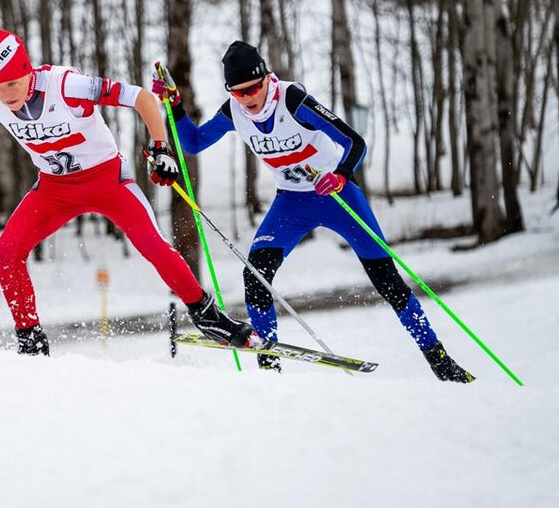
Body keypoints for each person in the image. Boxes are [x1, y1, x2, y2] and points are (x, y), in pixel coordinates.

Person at [0, 29, 260, 356]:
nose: (7, 94)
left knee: (153, 245)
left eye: (13, 83)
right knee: (7, 251)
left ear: (27, 70)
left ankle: (208, 316)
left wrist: (160, 148)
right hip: (54, 190)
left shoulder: (67, 85)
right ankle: (31, 341)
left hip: (107, 181)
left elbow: (141, 98)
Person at [152, 41, 474, 382]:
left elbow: (355, 143)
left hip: (337, 198)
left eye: (254, 88)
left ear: (266, 78)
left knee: (387, 280)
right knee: (255, 276)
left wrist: (340, 176)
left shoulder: (291, 100)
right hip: (291, 202)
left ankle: (440, 360)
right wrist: (174, 106)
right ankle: (269, 368)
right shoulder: (234, 111)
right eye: (239, 91)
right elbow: (193, 143)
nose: (248, 98)